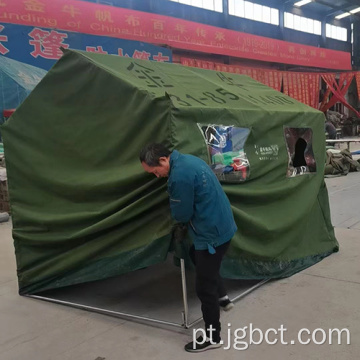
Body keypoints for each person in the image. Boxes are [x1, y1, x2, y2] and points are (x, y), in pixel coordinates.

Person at [139, 143, 238, 353]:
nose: (157, 177)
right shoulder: (190, 160)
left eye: (155, 172)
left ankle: (213, 337)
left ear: (163, 160)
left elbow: (182, 214)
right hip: (223, 226)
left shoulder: (179, 176)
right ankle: (223, 297)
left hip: (211, 235)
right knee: (197, 256)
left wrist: (178, 226)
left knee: (204, 288)